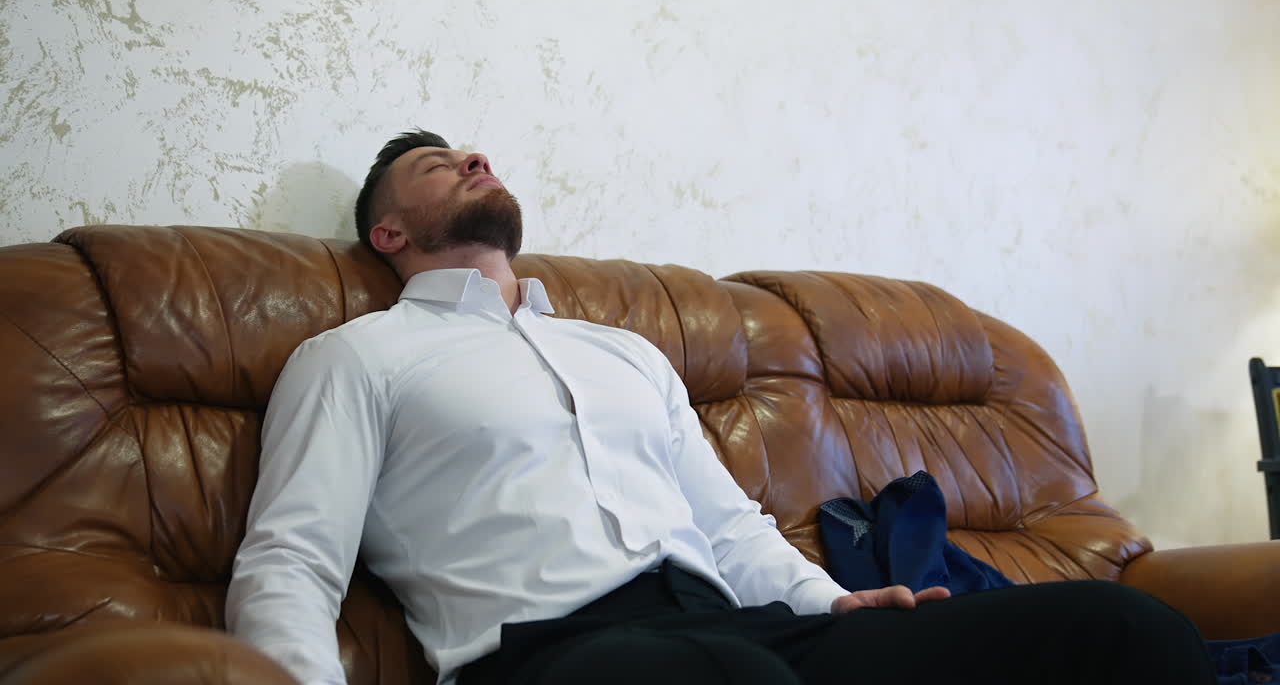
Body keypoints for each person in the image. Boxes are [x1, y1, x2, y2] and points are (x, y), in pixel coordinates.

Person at [226, 129, 1214, 685]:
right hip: (550, 656)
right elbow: (291, 560)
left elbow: (728, 524)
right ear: (390, 233)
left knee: (1124, 631)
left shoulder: (625, 352)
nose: (472, 159)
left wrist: (830, 604)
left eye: (472, 153)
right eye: (437, 167)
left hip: (745, 631)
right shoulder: (356, 358)